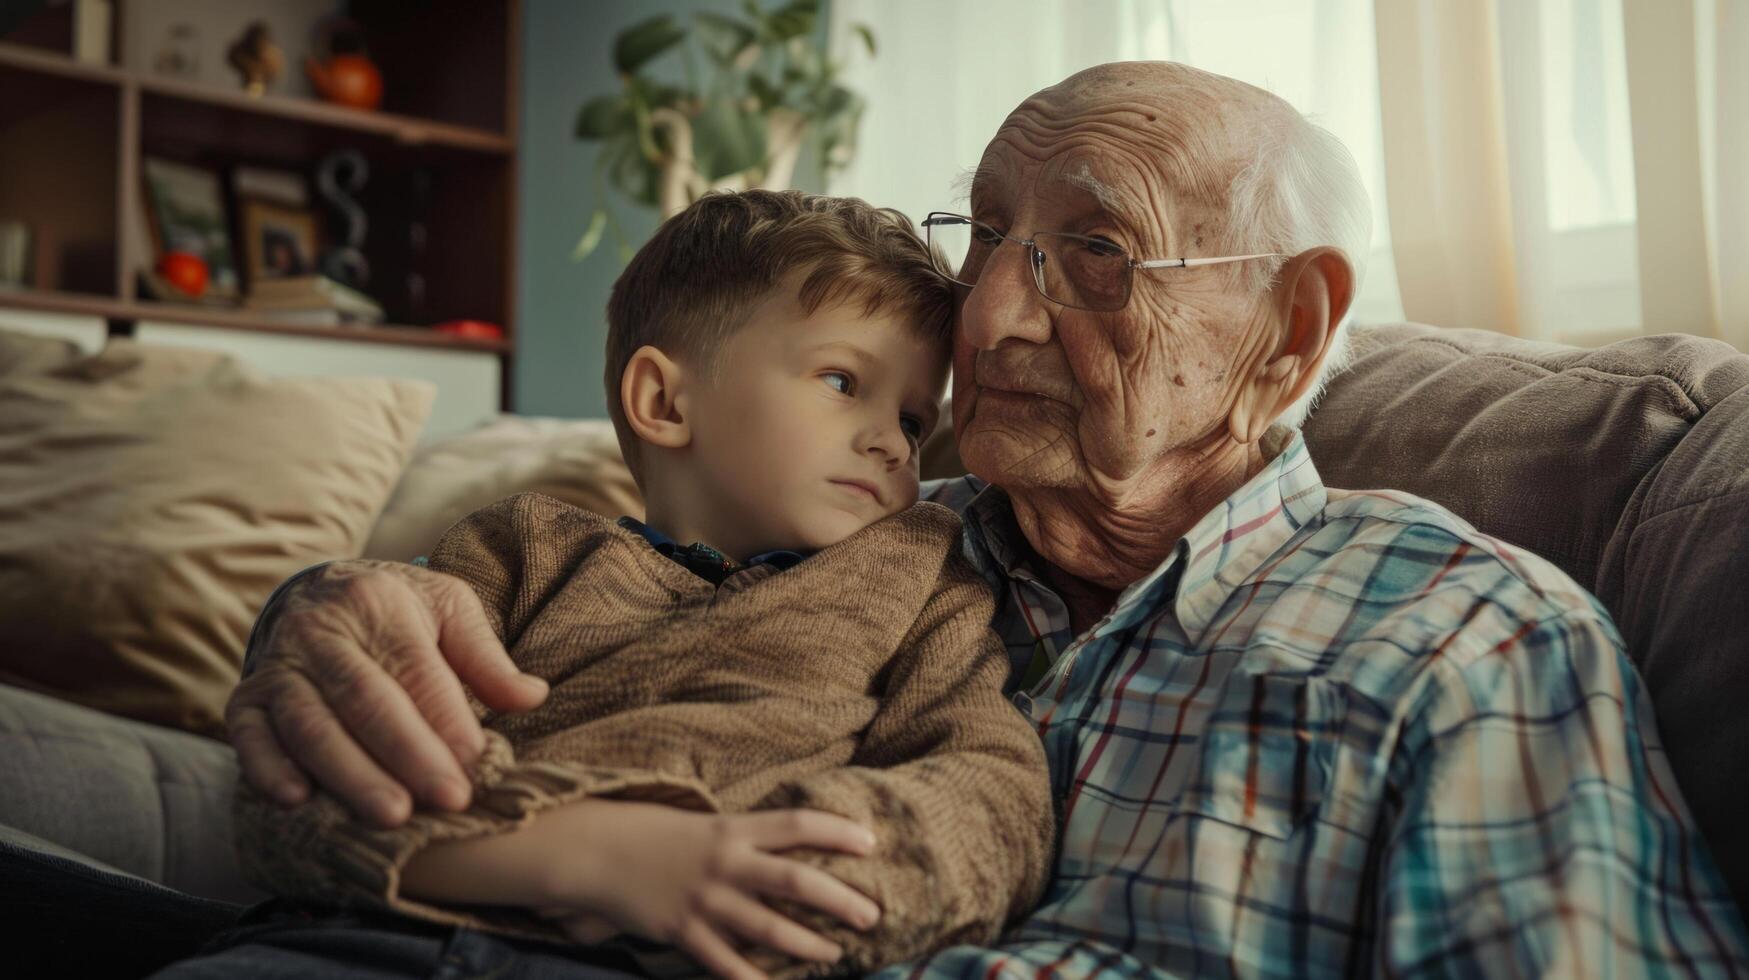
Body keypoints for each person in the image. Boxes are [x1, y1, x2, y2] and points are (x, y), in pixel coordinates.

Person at [216, 61, 1749, 977]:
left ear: (1286, 333)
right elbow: (498, 606)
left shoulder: (1460, 638)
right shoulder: (857, 534)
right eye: (987, 234)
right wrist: (326, 616)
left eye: (1092, 248)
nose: (992, 309)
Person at [165, 192, 1057, 979]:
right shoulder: (518, 552)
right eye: (840, 381)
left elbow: (996, 801)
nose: (895, 443)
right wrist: (601, 857)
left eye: (911, 417)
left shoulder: (922, 587)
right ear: (663, 402)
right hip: (350, 943)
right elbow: (298, 802)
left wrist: (768, 861)